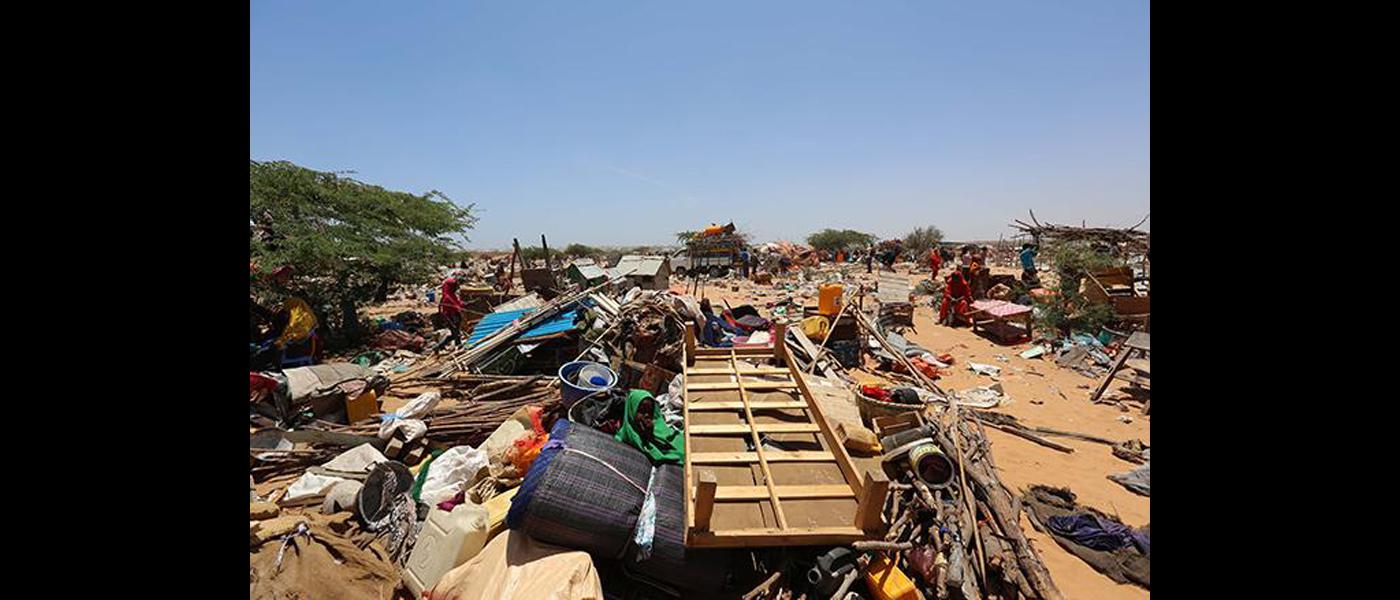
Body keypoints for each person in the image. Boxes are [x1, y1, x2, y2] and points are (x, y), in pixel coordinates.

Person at [439, 276, 466, 346]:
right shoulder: (447, 297)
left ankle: (459, 345)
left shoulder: (451, 295)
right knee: (455, 334)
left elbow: (458, 303)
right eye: (455, 286)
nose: (456, 288)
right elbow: (455, 306)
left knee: (457, 333)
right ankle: (438, 346)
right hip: (451, 317)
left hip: (453, 315)